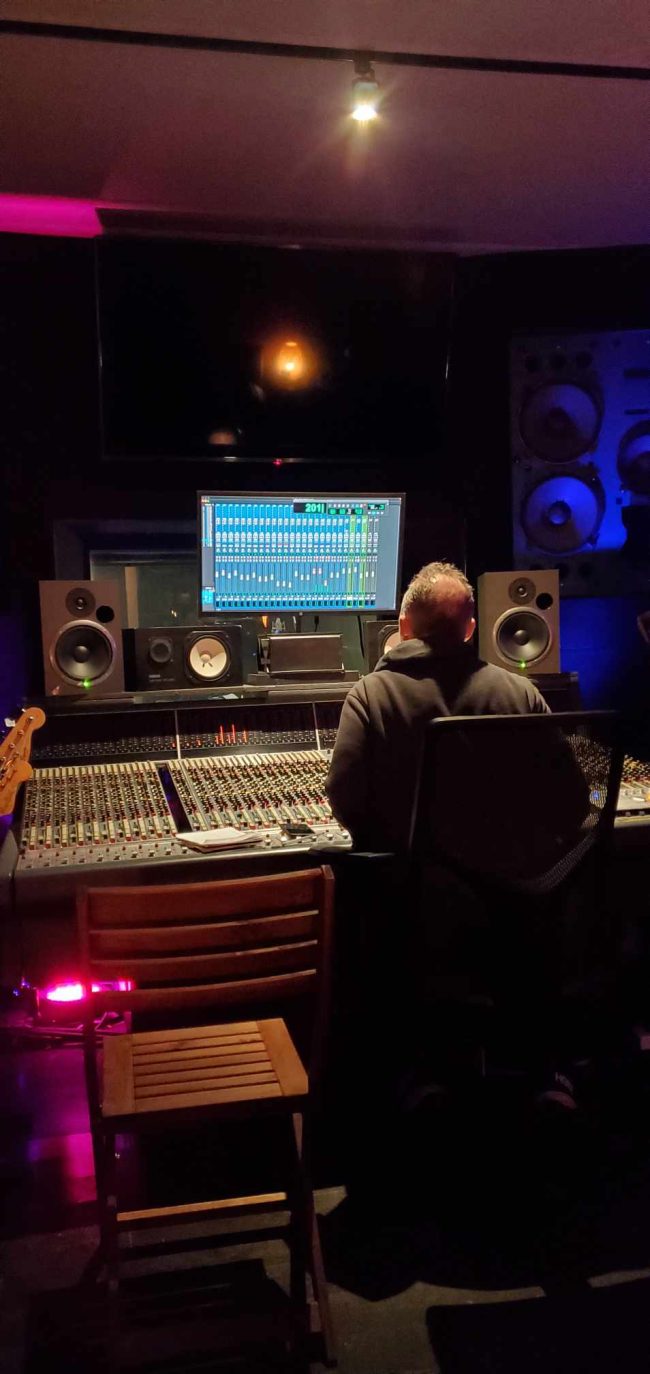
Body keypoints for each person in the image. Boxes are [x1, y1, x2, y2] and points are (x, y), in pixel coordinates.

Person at [326, 561, 549, 852]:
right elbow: (569, 795)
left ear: (403, 627)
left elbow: (344, 796)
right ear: (469, 630)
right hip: (509, 875)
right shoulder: (522, 692)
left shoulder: (369, 695)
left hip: (403, 875)